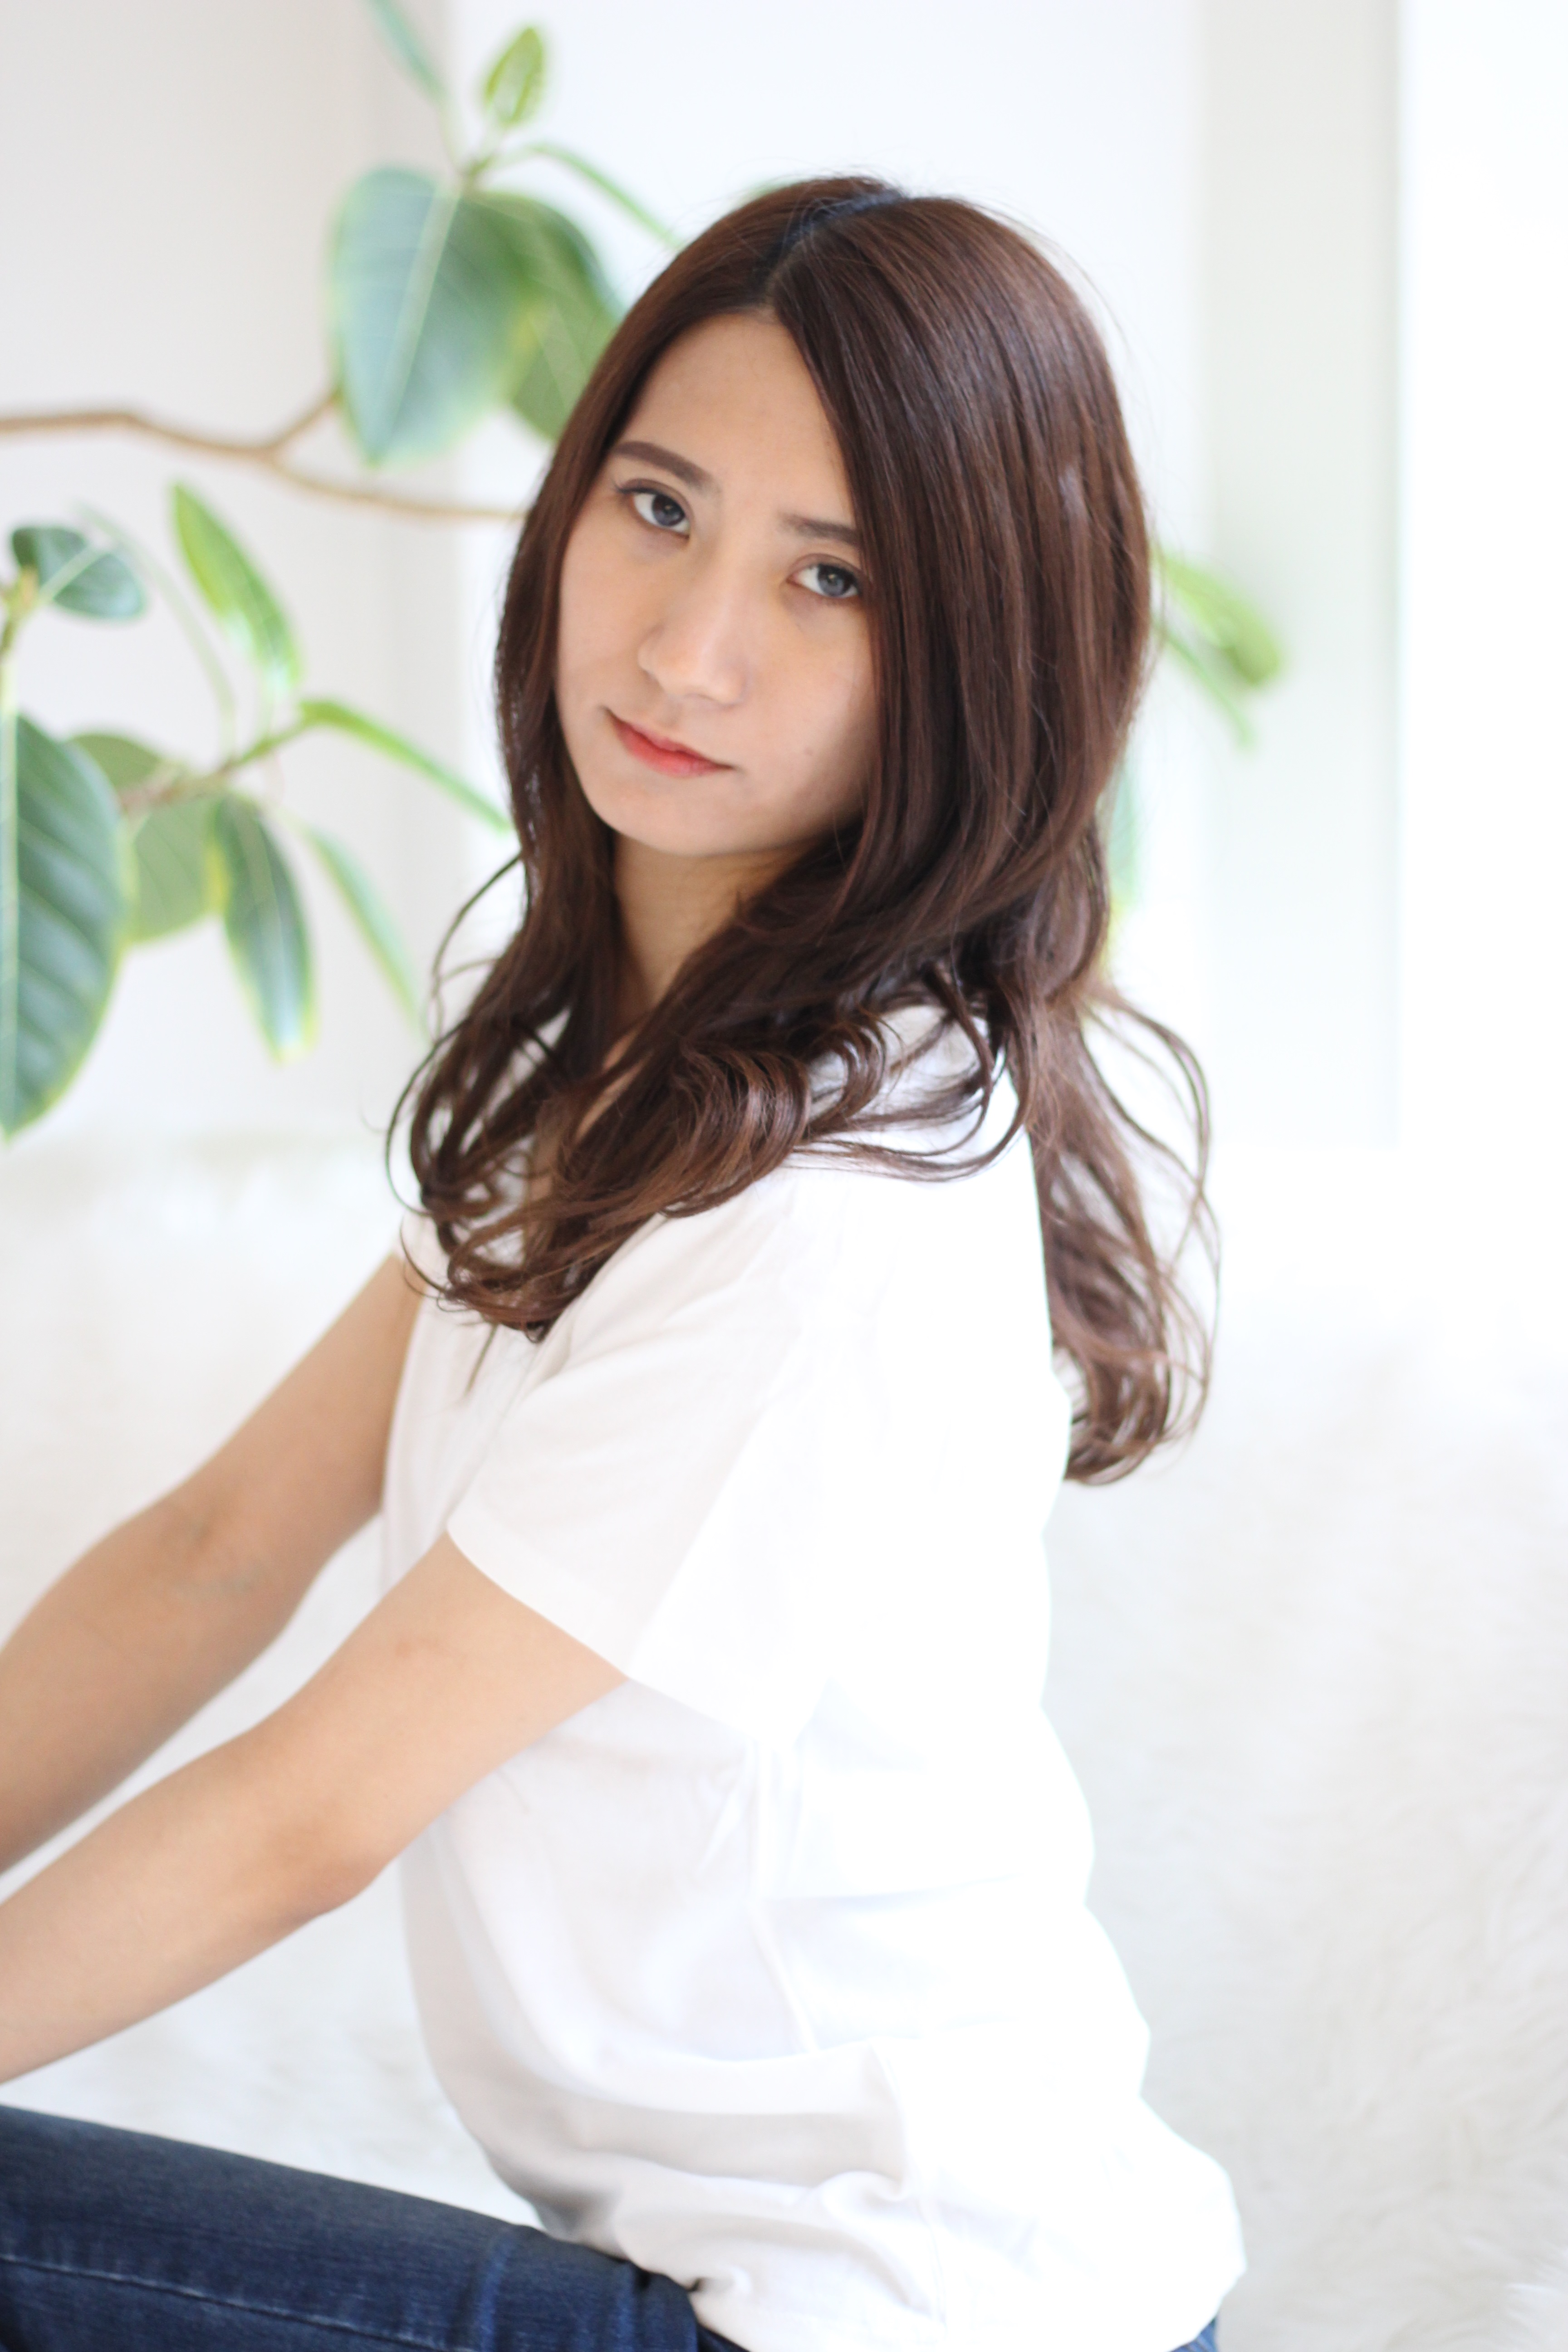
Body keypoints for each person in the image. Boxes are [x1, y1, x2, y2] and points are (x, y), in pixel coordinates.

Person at [0, 178, 1245, 2351]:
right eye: (660, 510)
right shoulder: (617, 1058)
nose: (686, 651)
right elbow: (217, 1551)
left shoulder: (834, 1207)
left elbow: (314, 1812)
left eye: (832, 578)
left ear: (982, 655)